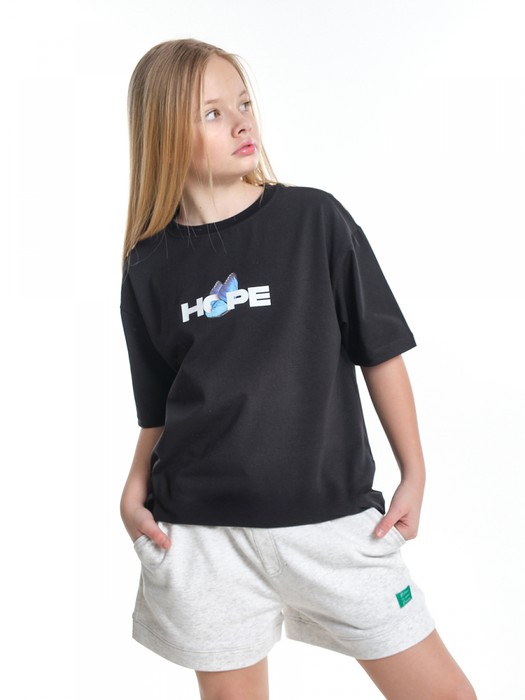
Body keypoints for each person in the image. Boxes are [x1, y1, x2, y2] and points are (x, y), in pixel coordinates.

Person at [119, 38, 476, 700]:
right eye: (213, 112)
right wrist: (133, 485)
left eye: (244, 104)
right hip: (203, 537)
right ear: (164, 131)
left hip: (330, 524)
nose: (241, 122)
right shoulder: (146, 266)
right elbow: (158, 403)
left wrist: (415, 472)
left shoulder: (313, 219)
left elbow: (380, 351)